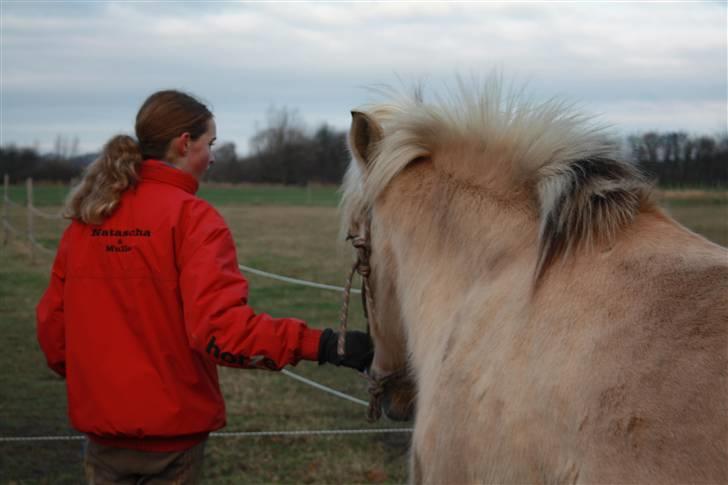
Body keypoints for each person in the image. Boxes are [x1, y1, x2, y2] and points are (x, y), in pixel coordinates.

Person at [36, 90, 373, 484]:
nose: (212, 157)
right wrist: (326, 344)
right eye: (209, 144)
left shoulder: (90, 216)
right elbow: (221, 332)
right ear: (184, 143)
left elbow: (53, 330)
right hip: (171, 443)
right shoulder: (193, 219)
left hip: (102, 436)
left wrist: (100, 385)